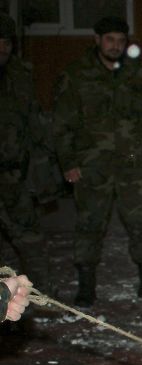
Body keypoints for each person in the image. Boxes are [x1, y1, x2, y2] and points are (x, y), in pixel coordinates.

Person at [53, 16, 142, 306]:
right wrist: (68, 162)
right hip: (92, 165)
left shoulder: (138, 75)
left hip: (134, 162)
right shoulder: (76, 75)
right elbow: (62, 123)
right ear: (97, 40)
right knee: (90, 224)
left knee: (141, 223)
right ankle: (86, 286)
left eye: (121, 40)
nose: (116, 46)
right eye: (110, 40)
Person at [0, 14, 49, 293]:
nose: (2, 48)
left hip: (13, 176)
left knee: (31, 241)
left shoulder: (21, 75)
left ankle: (42, 297)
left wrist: (41, 170)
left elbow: (35, 123)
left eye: (7, 42)